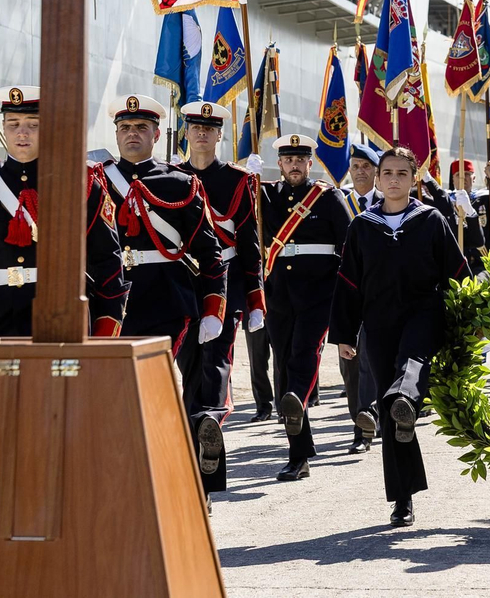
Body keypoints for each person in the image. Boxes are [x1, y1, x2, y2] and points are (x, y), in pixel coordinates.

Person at [330, 146, 470, 526]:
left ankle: (406, 395)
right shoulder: (363, 226)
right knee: (392, 411)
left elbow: (458, 273)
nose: (393, 179)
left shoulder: (431, 220)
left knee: (408, 369)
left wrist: (471, 322)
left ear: (414, 180)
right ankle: (403, 499)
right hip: (378, 324)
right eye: (387, 173)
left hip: (424, 314)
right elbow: (348, 284)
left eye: (401, 174)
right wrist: (344, 333)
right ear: (377, 179)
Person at [99, 94, 229, 496]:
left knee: (172, 387)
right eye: (125, 128)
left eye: (141, 128)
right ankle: (133, 479)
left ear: (157, 135)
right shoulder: (96, 181)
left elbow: (210, 252)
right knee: (121, 395)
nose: (132, 134)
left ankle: (198, 485)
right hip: (112, 302)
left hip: (168, 301)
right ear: (116, 134)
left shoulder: (181, 183)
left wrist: (214, 308)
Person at [0, 85, 128, 340]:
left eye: (32, 124)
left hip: (62, 314)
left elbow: (108, 262)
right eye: (13, 123)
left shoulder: (79, 182)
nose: (22, 132)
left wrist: (105, 328)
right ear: (3, 127)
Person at [259, 133, 355, 480]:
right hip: (279, 293)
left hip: (319, 293)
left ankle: (297, 396)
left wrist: (348, 297)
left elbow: (349, 247)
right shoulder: (265, 195)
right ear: (280, 163)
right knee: (284, 363)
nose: (295, 165)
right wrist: (247, 177)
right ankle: (299, 455)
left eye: (301, 160)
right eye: (288, 160)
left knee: (303, 354)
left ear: (309, 163)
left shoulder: (329, 198)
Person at [175, 102, 269, 423]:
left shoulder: (236, 180)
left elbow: (249, 243)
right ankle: (195, 424)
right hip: (185, 283)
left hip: (227, 281)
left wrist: (256, 301)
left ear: (219, 137)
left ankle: (211, 417)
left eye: (209, 129)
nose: (202, 133)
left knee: (216, 357)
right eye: (196, 128)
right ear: (186, 132)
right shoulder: (173, 177)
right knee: (188, 361)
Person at [340, 142, 383, 452]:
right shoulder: (339, 202)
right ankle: (362, 420)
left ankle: (366, 426)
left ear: (376, 171)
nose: (359, 171)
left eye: (366, 166)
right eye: (355, 166)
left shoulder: (389, 202)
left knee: (372, 360)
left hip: (381, 295)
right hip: (346, 295)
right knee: (350, 367)